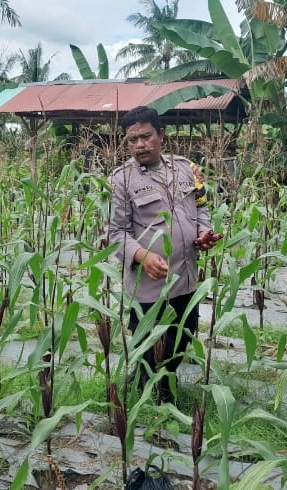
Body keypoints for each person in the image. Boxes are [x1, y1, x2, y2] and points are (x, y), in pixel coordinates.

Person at [108, 106, 219, 402]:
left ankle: (157, 379)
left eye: (146, 137)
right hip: (150, 283)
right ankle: (156, 393)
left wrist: (204, 233)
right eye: (132, 140)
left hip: (184, 277)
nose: (139, 145)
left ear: (161, 134)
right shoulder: (122, 180)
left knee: (184, 333)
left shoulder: (186, 169)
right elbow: (116, 233)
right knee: (150, 340)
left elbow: (201, 206)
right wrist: (142, 256)